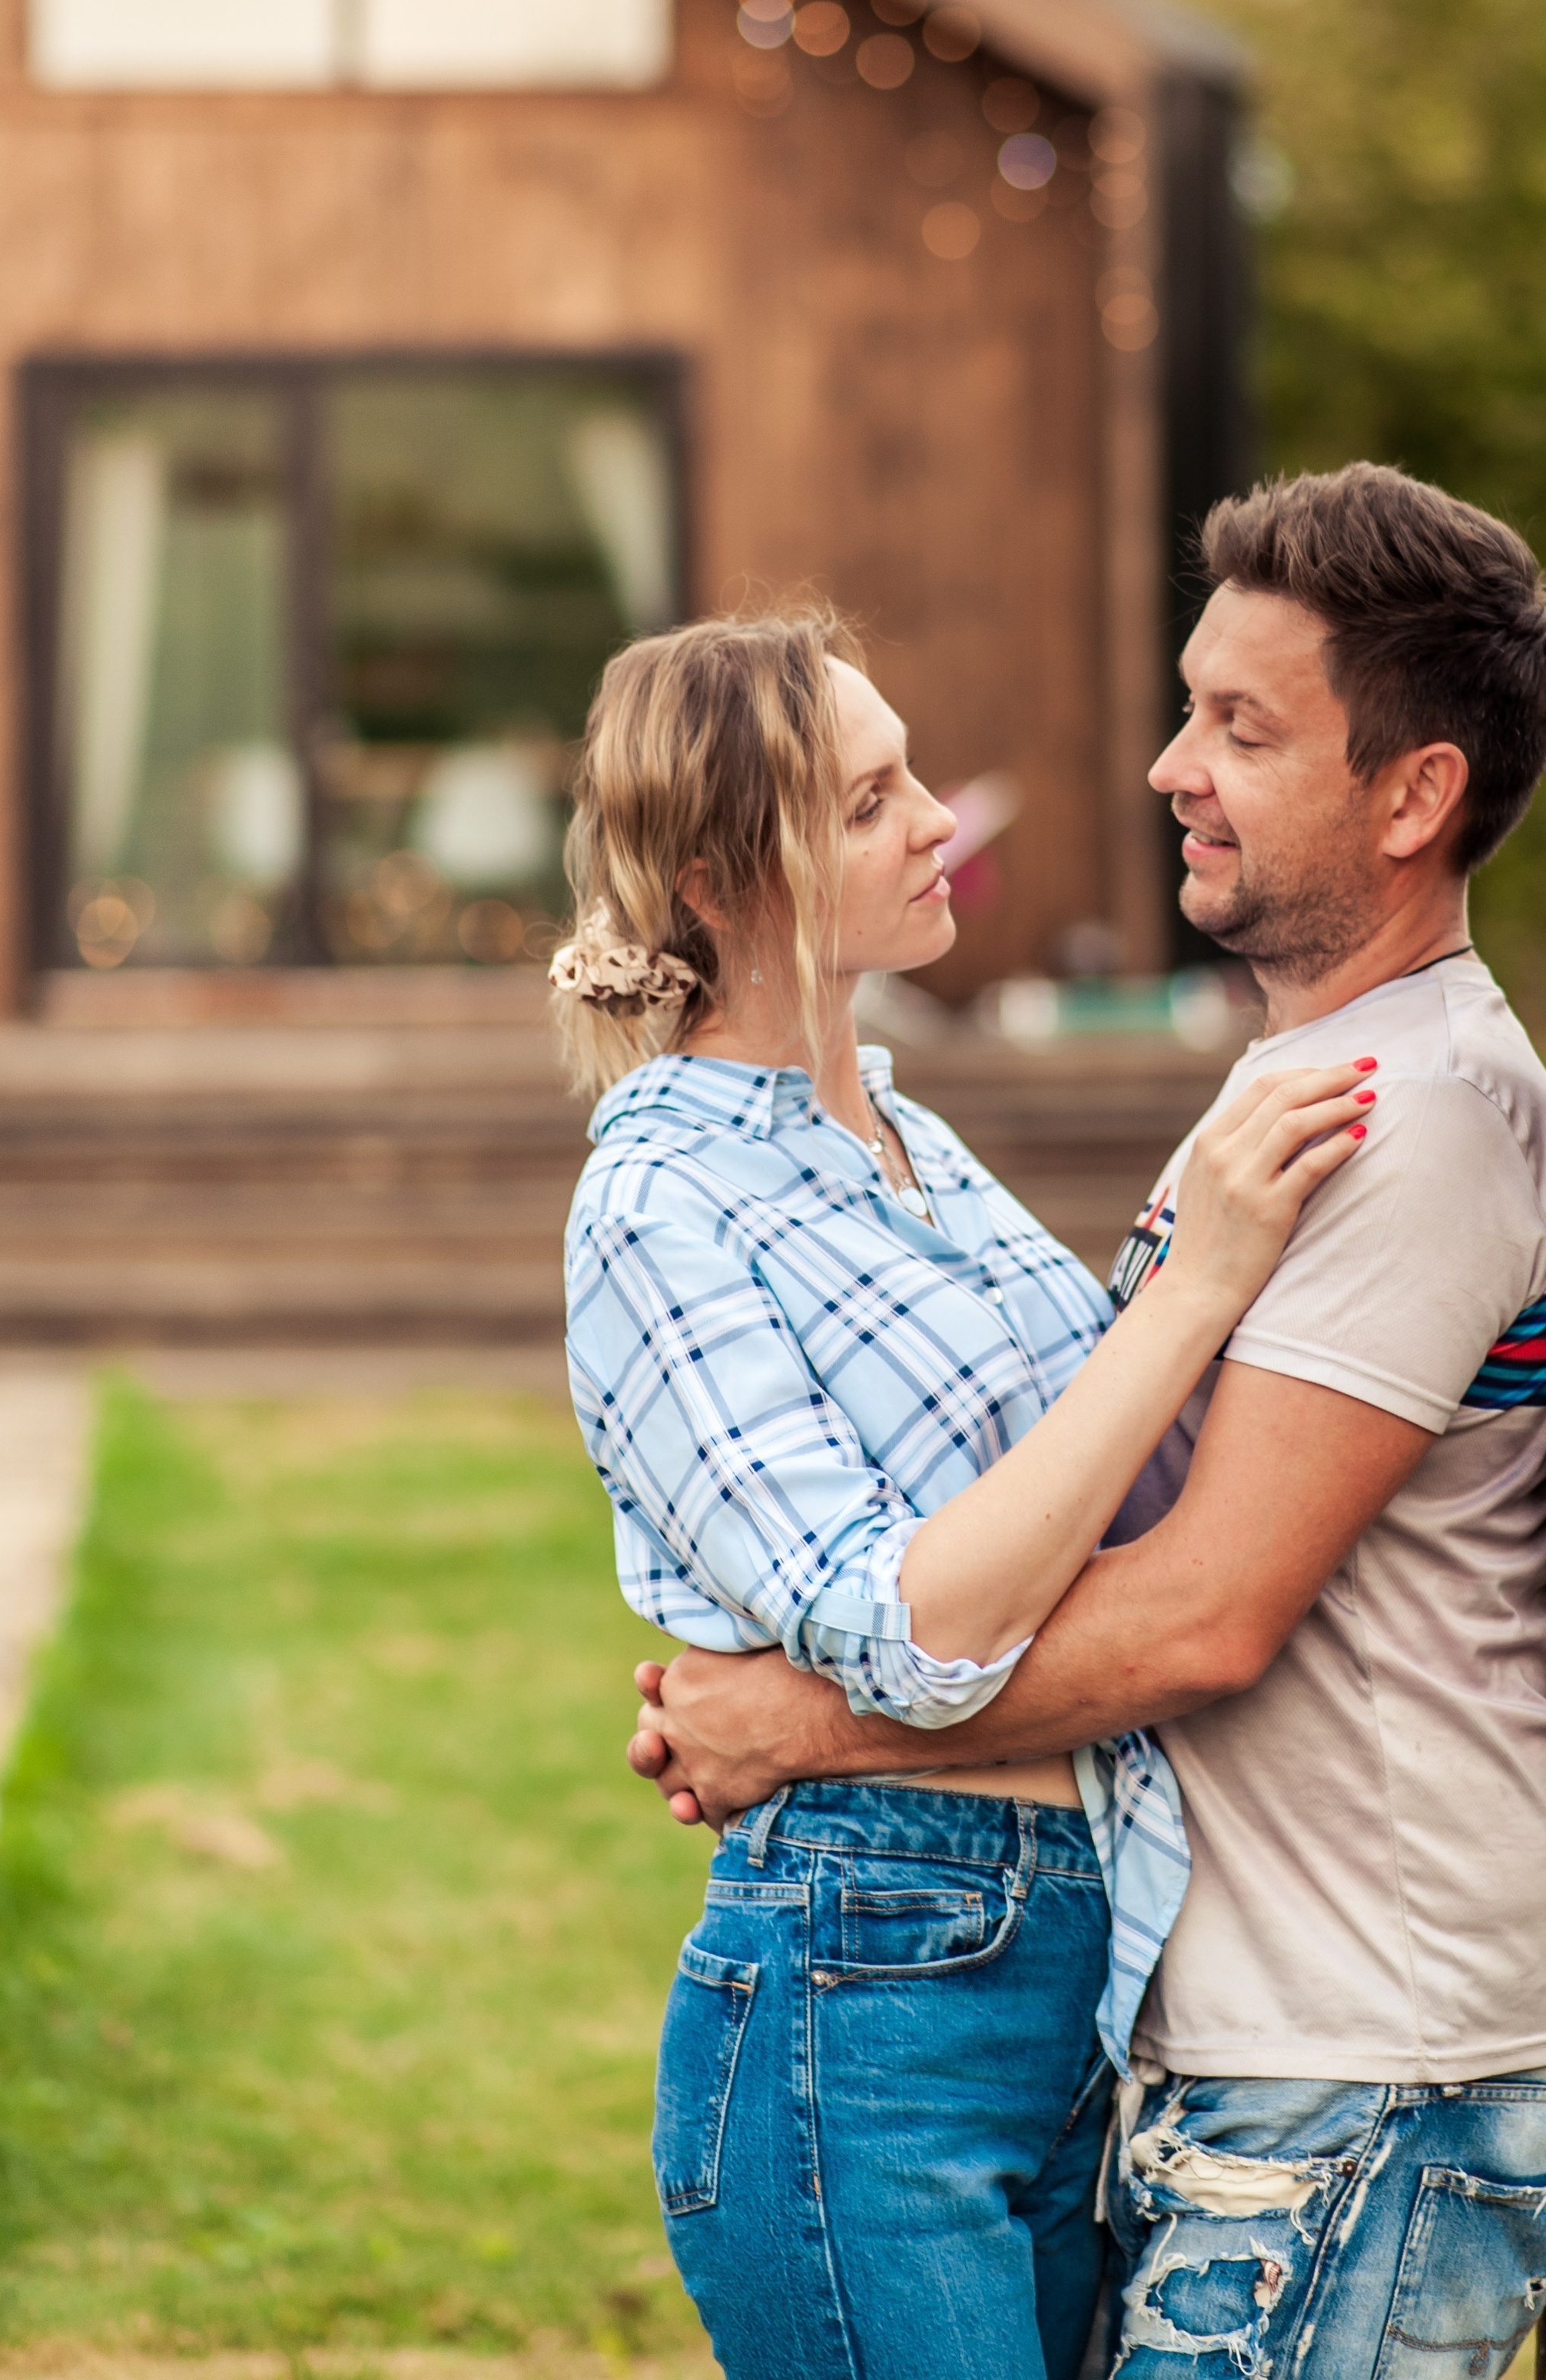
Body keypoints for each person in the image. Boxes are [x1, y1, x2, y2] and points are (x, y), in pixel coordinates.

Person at [628, 465, 1546, 2380]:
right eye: (1185, 708)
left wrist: (799, 1726)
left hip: (1365, 2054)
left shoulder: (1412, 1121)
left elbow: (1199, 1614)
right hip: (1268, 2045)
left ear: (1411, 795)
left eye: (1241, 726)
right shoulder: (1306, 1079)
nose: (1170, 766)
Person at [556, 604, 1371, 2380]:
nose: (936, 819)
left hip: (1082, 1949)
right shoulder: (659, 1202)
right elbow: (916, 1626)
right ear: (717, 882)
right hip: (865, 1996)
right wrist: (1195, 1284)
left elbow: (1112, 1503)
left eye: (907, 772)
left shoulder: (909, 1143)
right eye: (866, 802)